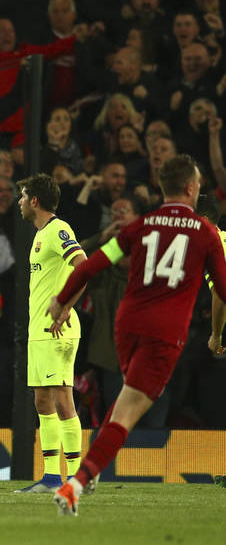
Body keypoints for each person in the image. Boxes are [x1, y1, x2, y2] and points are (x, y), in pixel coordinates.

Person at [48, 155, 226, 516]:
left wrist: (62, 300)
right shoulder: (206, 234)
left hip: (126, 325)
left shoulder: (139, 226)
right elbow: (223, 289)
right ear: (191, 188)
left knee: (126, 397)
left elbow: (92, 264)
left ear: (163, 187)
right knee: (127, 414)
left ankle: (89, 472)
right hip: (165, 333)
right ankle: (75, 485)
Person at [14, 173, 87, 494]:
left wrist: (67, 306)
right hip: (41, 331)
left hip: (57, 330)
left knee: (62, 399)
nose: (18, 202)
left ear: (34, 201)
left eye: (22, 196)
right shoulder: (41, 235)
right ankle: (51, 477)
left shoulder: (58, 230)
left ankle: (75, 478)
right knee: (43, 400)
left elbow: (83, 266)